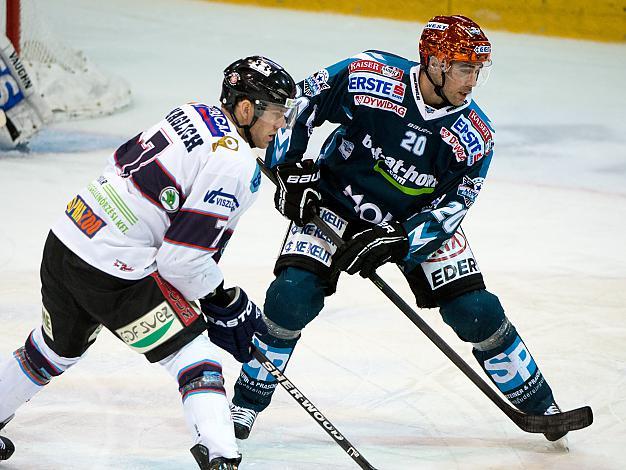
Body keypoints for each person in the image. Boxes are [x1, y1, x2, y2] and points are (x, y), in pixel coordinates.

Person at [229, 15, 568, 446]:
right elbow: (300, 106)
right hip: (338, 198)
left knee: (476, 311)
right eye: (465, 68)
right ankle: (246, 402)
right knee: (290, 297)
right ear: (435, 63)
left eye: (478, 70)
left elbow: (454, 205)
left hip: (411, 219)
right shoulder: (368, 74)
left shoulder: (476, 135)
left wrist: (404, 239)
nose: (473, 81)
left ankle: (543, 406)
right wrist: (290, 170)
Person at [0, 55, 298, 469]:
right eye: (277, 112)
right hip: (113, 270)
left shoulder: (192, 113)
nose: (281, 123)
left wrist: (218, 298)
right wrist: (227, 301)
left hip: (68, 238)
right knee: (195, 357)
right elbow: (181, 261)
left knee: (53, 350)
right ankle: (222, 457)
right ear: (246, 109)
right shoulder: (235, 165)